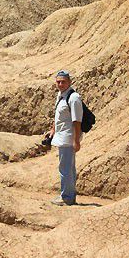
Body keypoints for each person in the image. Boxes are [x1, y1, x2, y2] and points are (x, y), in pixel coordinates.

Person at [47, 70, 82, 206]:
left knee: (65, 168)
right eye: (58, 82)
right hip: (62, 136)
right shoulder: (61, 96)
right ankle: (69, 195)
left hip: (68, 138)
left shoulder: (73, 98)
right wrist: (53, 130)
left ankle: (67, 197)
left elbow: (76, 121)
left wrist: (76, 140)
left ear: (69, 82)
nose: (60, 84)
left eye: (63, 82)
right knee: (68, 167)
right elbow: (59, 116)